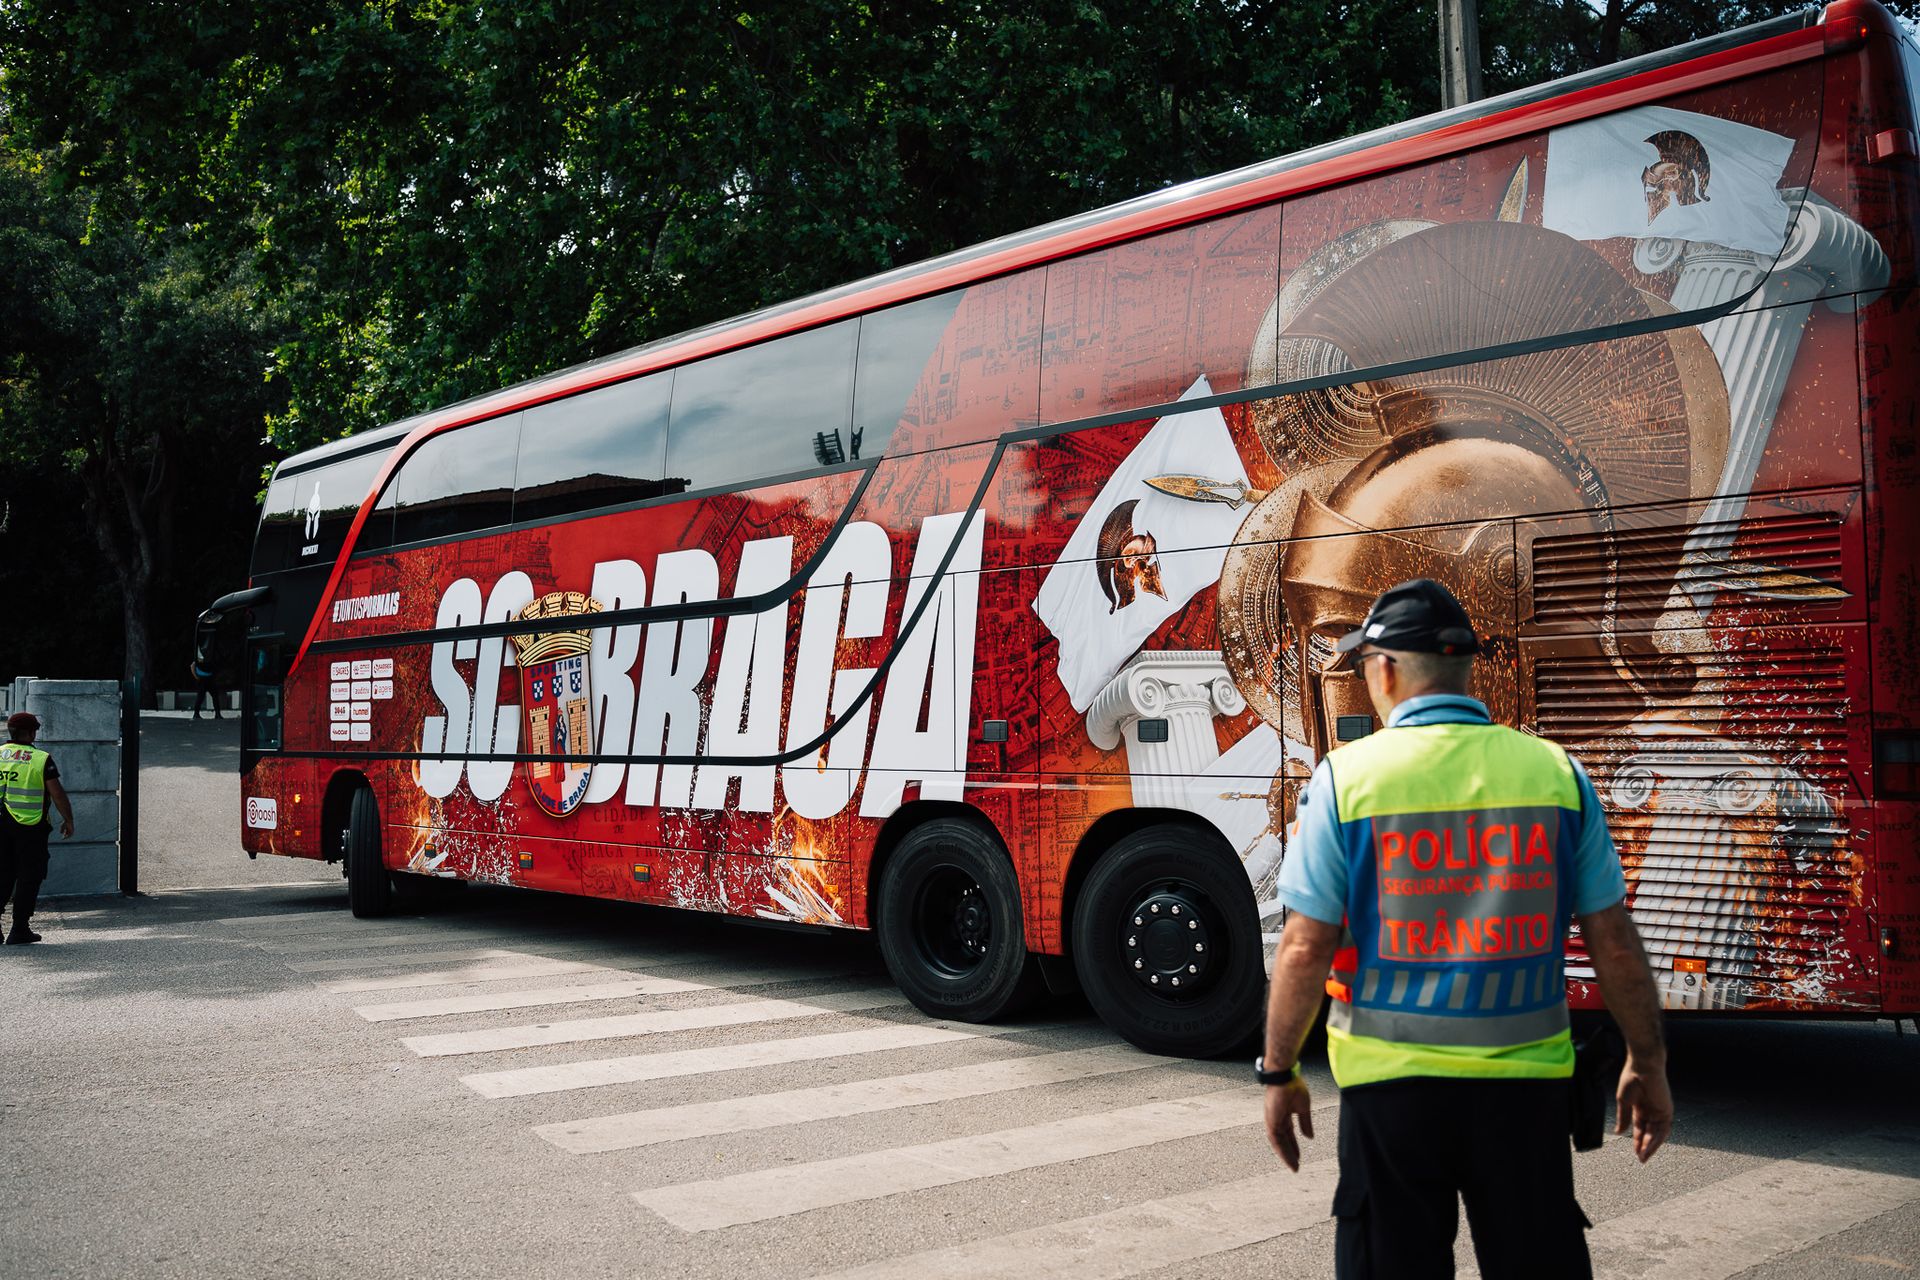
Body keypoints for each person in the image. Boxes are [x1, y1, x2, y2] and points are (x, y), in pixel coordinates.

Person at [1258, 578, 1672, 1280]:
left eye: (1363, 667)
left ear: (1384, 670)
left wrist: (1279, 1070)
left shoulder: (1344, 782)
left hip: (1389, 1095)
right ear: (1463, 670)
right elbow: (1614, 939)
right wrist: (1648, 1061)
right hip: (1527, 1098)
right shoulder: (1555, 775)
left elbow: (1304, 945)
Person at [1, 710, 76, 945]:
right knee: (28, 875)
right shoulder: (40, 758)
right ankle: (19, 928)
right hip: (30, 826)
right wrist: (68, 819)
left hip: (1, 823)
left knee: (2, 873)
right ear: (32, 734)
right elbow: (56, 793)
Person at [191, 652, 224, 720]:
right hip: (203, 679)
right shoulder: (200, 658)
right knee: (200, 697)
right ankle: (196, 714)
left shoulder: (209, 658)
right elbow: (192, 666)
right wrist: (196, 676)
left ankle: (217, 714)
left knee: (214, 696)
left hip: (209, 679)